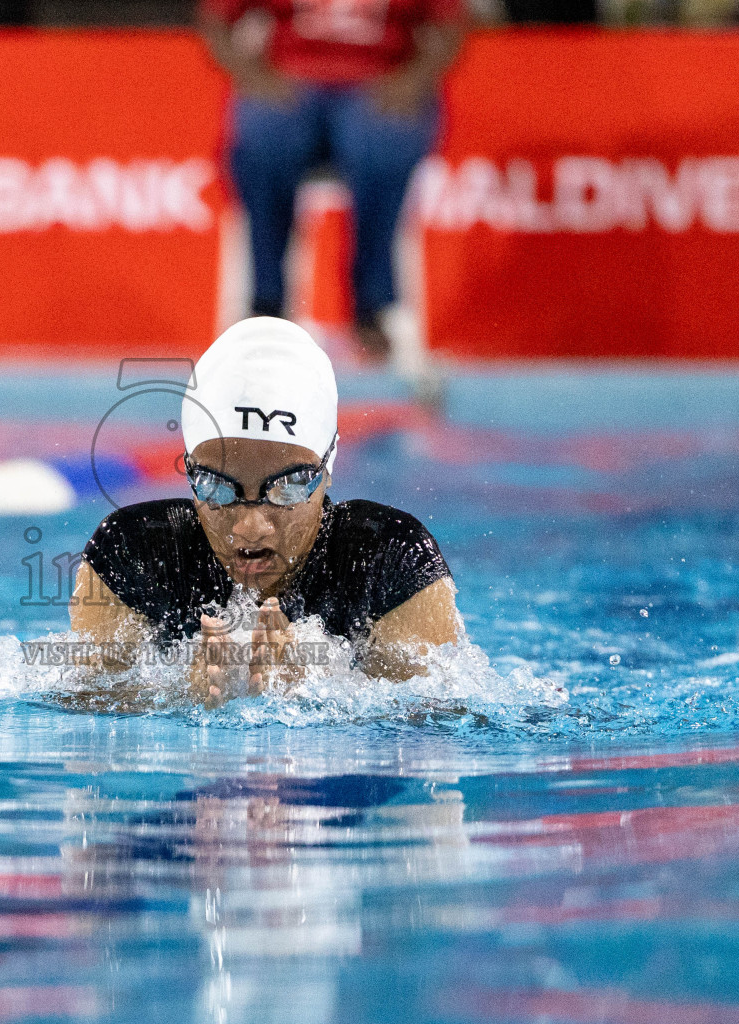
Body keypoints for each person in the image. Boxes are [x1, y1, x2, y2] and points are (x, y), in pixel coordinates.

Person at [69, 317, 460, 706]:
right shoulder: (134, 553)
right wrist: (176, 699)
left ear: (327, 471)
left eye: (287, 486)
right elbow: (77, 713)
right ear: (188, 469)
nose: (250, 527)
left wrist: (325, 700)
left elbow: (441, 730)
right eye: (216, 486)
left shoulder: (390, 559)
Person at [198, 0, 465, 362]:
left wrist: (413, 80)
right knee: (261, 139)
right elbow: (214, 17)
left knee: (383, 145)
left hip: (380, 79)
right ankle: (266, 304)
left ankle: (373, 307)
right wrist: (253, 76)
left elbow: (453, 22)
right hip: (291, 78)